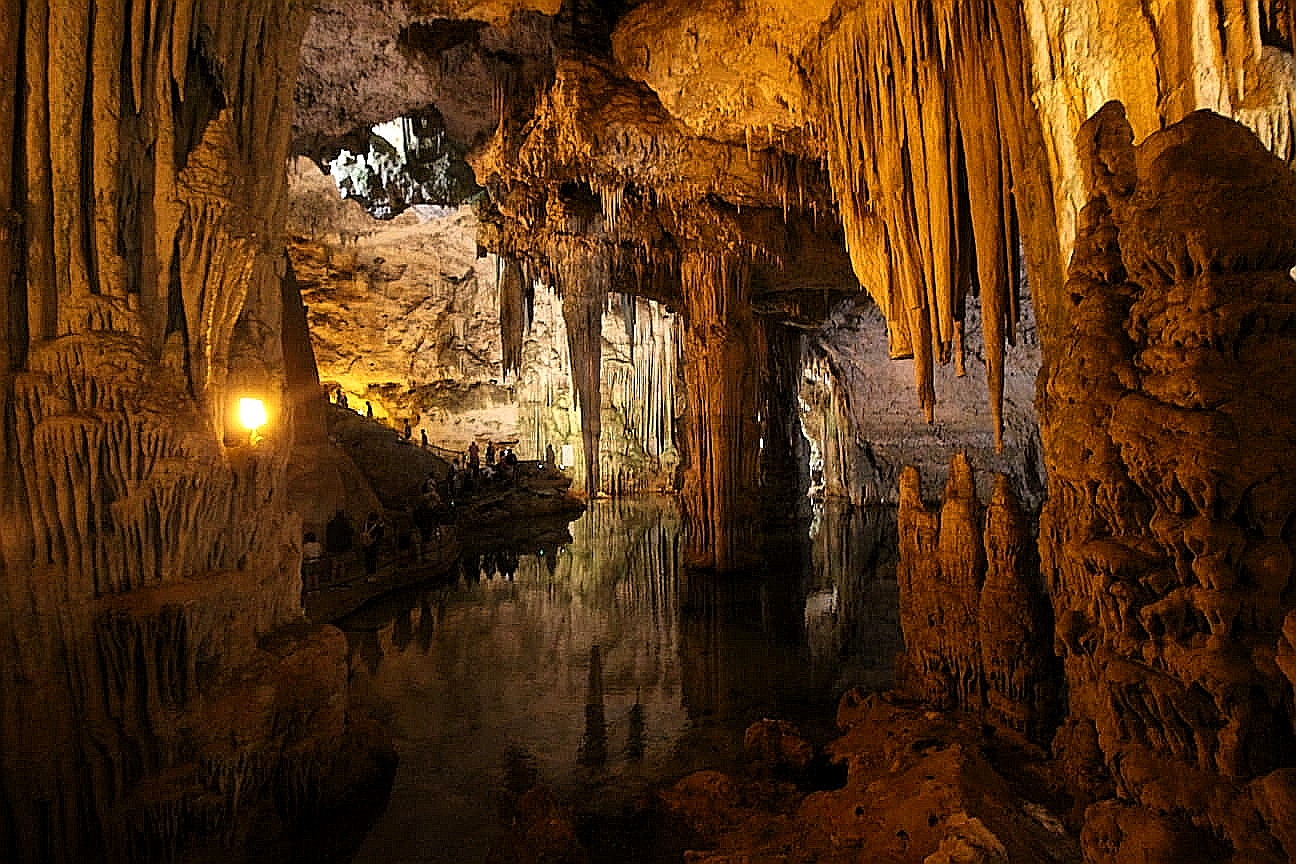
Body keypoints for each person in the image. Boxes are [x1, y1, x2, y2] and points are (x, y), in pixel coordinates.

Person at [325, 509, 354, 579]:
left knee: (334, 566)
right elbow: (351, 533)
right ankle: (341, 581)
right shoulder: (345, 524)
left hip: (332, 548)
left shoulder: (330, 524)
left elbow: (328, 536)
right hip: (343, 548)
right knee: (342, 565)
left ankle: (333, 581)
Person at [360, 511, 385, 581]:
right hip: (373, 546)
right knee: (373, 560)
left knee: (367, 559)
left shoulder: (365, 524)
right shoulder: (376, 526)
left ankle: (368, 574)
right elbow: (381, 534)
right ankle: (372, 575)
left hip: (366, 545)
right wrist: (382, 525)